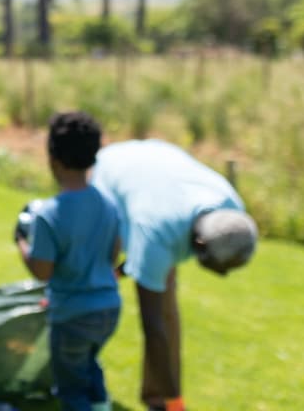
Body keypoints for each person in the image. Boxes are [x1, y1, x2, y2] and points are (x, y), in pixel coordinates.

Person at [89, 138, 259, 411]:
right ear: (200, 245)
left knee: (167, 309)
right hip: (113, 172)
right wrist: (178, 405)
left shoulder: (230, 208)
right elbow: (152, 325)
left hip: (158, 169)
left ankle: (159, 400)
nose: (224, 275)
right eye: (221, 266)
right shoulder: (156, 229)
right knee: (92, 286)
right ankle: (72, 374)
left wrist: (123, 271)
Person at [15, 111, 121, 411]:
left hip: (72, 315)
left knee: (71, 388)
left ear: (53, 160)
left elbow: (42, 271)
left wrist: (21, 242)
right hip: (109, 309)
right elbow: (113, 255)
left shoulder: (48, 214)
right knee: (88, 366)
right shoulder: (109, 204)